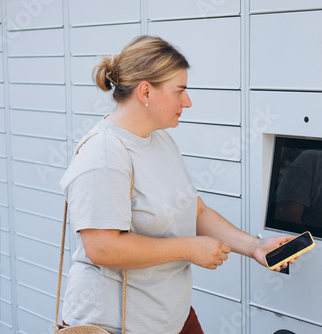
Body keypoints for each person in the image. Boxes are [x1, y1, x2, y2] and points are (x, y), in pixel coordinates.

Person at [59, 35, 296, 334]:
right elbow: (103, 248)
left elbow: (195, 211)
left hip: (172, 317)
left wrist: (254, 246)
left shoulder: (160, 140)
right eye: (180, 90)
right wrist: (187, 248)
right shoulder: (104, 154)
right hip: (118, 325)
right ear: (145, 91)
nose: (188, 101)